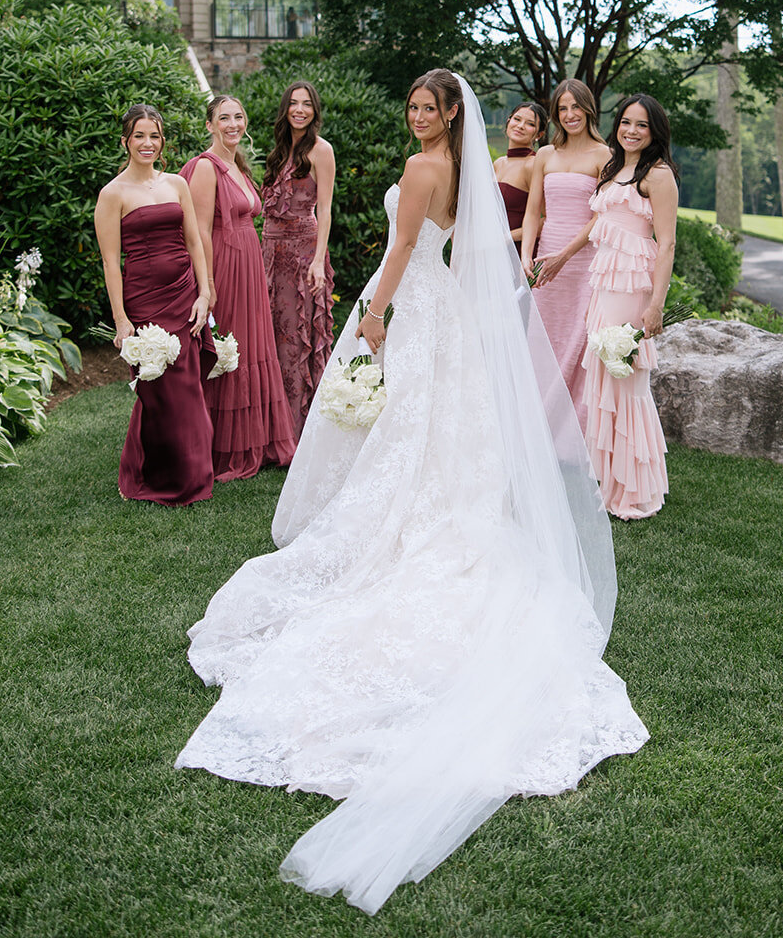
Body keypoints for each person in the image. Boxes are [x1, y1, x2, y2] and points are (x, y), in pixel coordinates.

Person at [176, 69, 648, 914]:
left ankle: (401, 536)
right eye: (413, 106)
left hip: (415, 305)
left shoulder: (426, 167)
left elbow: (398, 251)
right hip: (450, 313)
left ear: (450, 114)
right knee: (435, 440)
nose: (417, 116)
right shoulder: (464, 169)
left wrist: (375, 316)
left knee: (410, 437)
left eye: (428, 107)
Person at [93, 104, 214, 506]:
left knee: (187, 383)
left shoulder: (177, 183)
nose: (148, 143)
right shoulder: (112, 194)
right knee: (159, 387)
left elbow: (195, 241)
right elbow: (112, 262)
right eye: (140, 136)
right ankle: (151, 473)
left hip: (183, 290)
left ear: (163, 143)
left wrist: (204, 292)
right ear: (125, 141)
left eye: (155, 136)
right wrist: (121, 320)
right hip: (144, 298)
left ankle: (193, 476)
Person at [181, 95, 298, 481]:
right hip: (224, 268)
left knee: (250, 347)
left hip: (249, 264)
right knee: (228, 351)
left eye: (238, 117)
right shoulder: (205, 167)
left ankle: (256, 441)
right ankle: (217, 446)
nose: (233, 124)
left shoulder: (238, 165)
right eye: (224, 118)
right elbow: (198, 230)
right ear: (211, 124)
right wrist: (207, 284)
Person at [582, 95, 678, 519]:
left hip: (633, 284)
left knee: (626, 379)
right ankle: (609, 482)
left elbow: (667, 242)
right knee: (606, 375)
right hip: (604, 281)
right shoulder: (614, 168)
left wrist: (656, 304)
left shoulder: (658, 175)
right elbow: (599, 226)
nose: (632, 131)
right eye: (625, 122)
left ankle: (635, 489)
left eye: (642, 125)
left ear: (655, 131)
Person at [520, 79, 610, 429]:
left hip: (582, 260)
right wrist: (527, 254)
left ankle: (574, 432)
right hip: (545, 261)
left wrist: (566, 255)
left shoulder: (605, 155)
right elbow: (532, 213)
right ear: (556, 114)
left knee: (578, 340)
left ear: (588, 108)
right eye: (563, 108)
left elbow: (601, 216)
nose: (570, 114)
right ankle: (535, 427)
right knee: (543, 340)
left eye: (576, 107)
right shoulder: (545, 155)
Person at [260, 81, 336, 436]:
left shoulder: (321, 150)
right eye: (293, 103)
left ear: (315, 110)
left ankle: (296, 428)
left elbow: (326, 210)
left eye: (307, 104)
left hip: (303, 253)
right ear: (285, 109)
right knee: (269, 336)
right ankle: (269, 423)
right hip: (269, 254)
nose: (300, 110)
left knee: (295, 339)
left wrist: (318, 260)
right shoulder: (277, 151)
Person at [493, 100, 547, 242]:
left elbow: (547, 219)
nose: (521, 126)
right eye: (517, 119)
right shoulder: (498, 163)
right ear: (508, 121)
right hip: (488, 250)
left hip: (516, 251)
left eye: (530, 124)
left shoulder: (534, 165)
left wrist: (504, 238)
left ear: (539, 135)